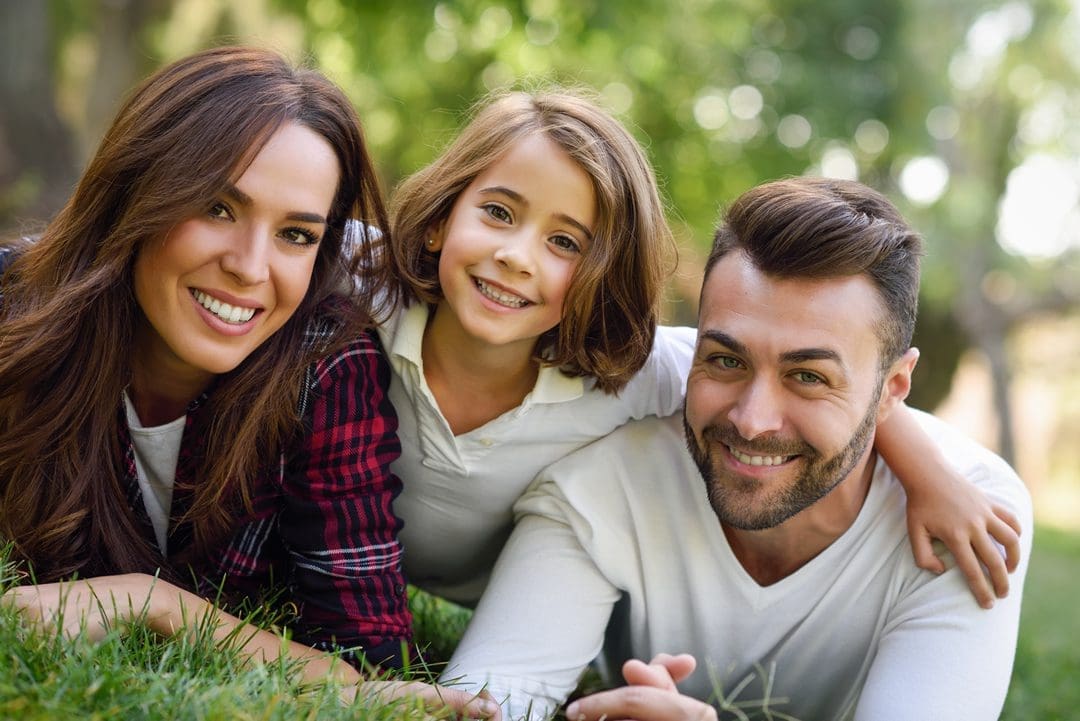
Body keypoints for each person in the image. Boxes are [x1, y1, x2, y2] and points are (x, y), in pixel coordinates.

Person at [381, 89, 1021, 611]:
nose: (516, 258)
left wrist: (929, 477)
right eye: (497, 212)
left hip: (517, 596)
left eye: (566, 243)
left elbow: (807, 379)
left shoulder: (635, 374)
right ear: (441, 216)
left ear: (605, 272)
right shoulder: (359, 297)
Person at [0, 46, 495, 719]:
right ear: (136, 187)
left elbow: (371, 663)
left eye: (296, 233)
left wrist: (158, 601)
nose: (249, 266)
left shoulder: (326, 365)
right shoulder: (16, 314)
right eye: (217, 207)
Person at [442, 177, 1033, 721]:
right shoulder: (602, 484)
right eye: (726, 361)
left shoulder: (971, 519)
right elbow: (486, 702)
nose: (752, 421)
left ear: (892, 391)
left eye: (808, 376)